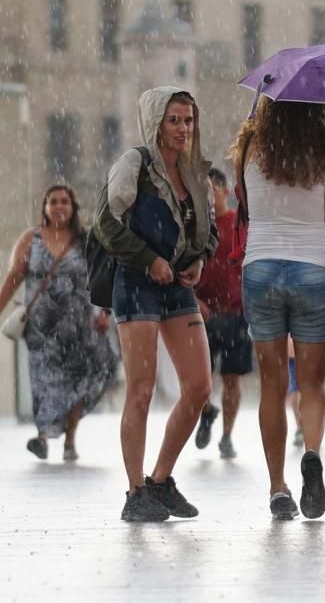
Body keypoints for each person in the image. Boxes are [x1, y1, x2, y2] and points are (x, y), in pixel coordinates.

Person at [94, 87, 217, 523]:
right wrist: (149, 260)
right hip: (137, 282)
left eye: (188, 120)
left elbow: (210, 226)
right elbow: (106, 221)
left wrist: (201, 259)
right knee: (141, 390)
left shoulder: (195, 172)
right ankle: (135, 492)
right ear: (155, 124)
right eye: (174, 120)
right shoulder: (136, 164)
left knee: (200, 387)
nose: (184, 128)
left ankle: (161, 479)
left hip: (178, 283)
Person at [231, 98, 325, 521]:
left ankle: (278, 487)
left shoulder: (250, 145)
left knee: (273, 386)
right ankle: (311, 452)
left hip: (261, 268)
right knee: (311, 384)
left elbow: (243, 201)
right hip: (313, 266)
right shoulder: (322, 144)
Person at [0, 185, 115, 462]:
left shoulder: (85, 240)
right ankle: (43, 436)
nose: (59, 206)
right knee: (44, 382)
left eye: (64, 202)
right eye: (53, 202)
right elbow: (14, 277)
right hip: (41, 327)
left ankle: (70, 439)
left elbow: (102, 277)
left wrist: (105, 311)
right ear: (45, 207)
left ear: (73, 207)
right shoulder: (31, 239)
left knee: (77, 381)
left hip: (80, 325)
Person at [193, 167, 252, 461]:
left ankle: (227, 435)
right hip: (202, 314)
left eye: (212, 190)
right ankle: (206, 412)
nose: (208, 197)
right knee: (200, 378)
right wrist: (194, 300)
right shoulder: (196, 228)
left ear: (225, 192)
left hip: (237, 314)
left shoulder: (241, 226)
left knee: (232, 379)